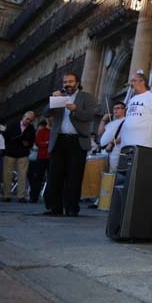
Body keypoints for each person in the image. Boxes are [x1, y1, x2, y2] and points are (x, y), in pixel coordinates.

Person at [43, 72, 97, 217]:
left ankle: (72, 208)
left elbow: (90, 115)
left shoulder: (86, 97)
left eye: (70, 81)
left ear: (77, 83)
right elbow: (46, 113)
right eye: (65, 82)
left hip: (77, 141)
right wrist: (53, 99)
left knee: (74, 176)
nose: (67, 84)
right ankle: (54, 208)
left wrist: (75, 109)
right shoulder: (59, 96)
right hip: (59, 140)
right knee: (55, 176)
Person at [121, 72, 152, 148]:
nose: (131, 84)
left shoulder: (151, 97)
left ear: (142, 82)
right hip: (126, 141)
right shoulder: (132, 99)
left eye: (134, 81)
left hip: (142, 142)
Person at [1, 111, 36, 202]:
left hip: (23, 153)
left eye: (30, 120)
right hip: (10, 152)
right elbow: (6, 137)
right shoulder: (12, 124)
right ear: (23, 117)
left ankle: (21, 196)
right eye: (27, 119)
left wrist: (27, 144)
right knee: (7, 174)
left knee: (22, 175)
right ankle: (6, 195)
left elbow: (32, 142)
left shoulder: (31, 128)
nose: (28, 121)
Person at [97, 102, 126, 175]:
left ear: (123, 110)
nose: (115, 110)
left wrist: (112, 143)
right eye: (114, 108)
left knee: (112, 172)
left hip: (115, 150)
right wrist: (103, 120)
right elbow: (100, 133)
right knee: (102, 172)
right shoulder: (111, 123)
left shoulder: (126, 120)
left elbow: (124, 135)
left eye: (118, 108)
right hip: (104, 150)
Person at [27, 120, 50, 203]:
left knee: (51, 178)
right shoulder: (41, 131)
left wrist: (45, 144)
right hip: (41, 156)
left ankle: (49, 197)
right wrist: (47, 143)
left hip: (51, 157)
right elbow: (38, 142)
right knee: (37, 177)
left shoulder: (55, 131)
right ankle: (33, 196)